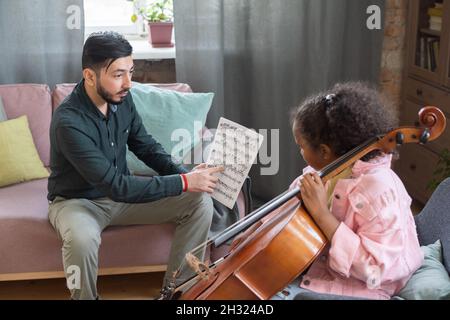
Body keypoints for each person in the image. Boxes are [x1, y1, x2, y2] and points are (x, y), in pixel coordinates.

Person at [47, 31, 223, 300]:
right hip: (77, 202)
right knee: (81, 240)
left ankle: (177, 292)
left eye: (130, 71)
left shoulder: (123, 99)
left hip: (120, 200)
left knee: (199, 202)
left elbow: (146, 147)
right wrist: (185, 182)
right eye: (118, 74)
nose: (129, 83)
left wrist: (186, 176)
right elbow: (116, 185)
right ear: (90, 76)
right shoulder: (69, 122)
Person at [287, 82, 423, 300]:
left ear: (324, 151)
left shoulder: (378, 192)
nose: (300, 152)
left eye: (301, 146)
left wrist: (322, 214)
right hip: (321, 265)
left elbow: (375, 272)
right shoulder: (329, 169)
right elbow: (291, 206)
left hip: (364, 287)